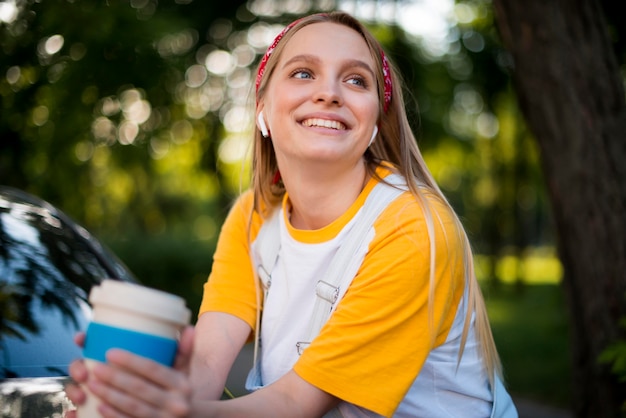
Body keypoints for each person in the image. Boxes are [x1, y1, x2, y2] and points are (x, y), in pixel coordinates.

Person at [66, 11, 518, 418]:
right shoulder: (252, 217)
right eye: (304, 73)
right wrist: (130, 399)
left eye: (356, 81)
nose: (328, 93)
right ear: (262, 109)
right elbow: (205, 360)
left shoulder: (415, 228)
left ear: (375, 122)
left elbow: (295, 404)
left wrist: (175, 411)